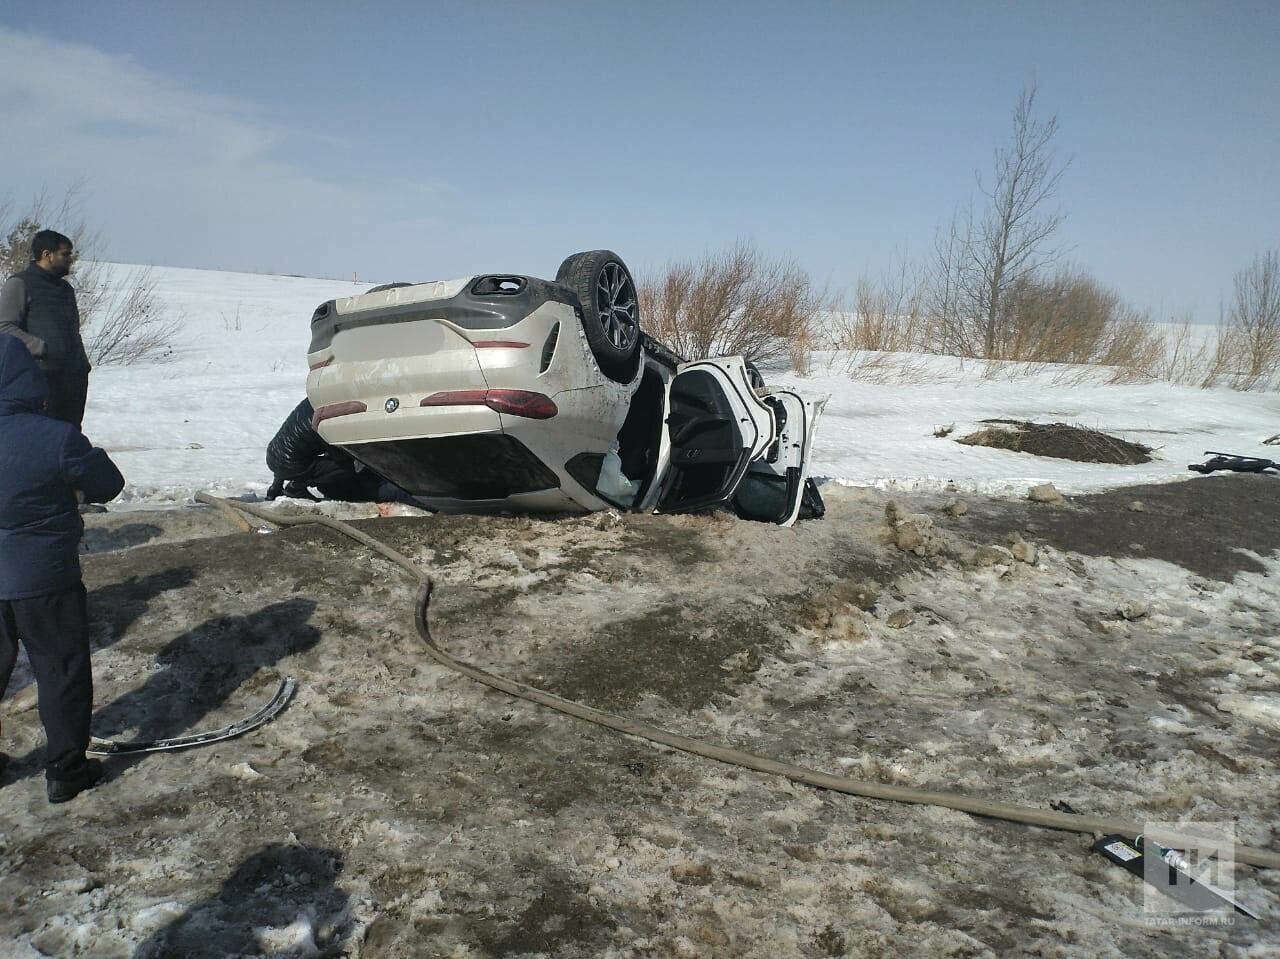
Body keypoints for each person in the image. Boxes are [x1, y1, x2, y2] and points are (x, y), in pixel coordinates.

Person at [0, 334, 124, 803]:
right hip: (45, 577)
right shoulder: (54, 436)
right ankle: (66, 771)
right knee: (60, 670)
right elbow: (108, 484)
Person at [0, 229, 92, 427]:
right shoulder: (20, 283)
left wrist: (82, 364)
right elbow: (4, 326)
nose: (71, 259)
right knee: (43, 437)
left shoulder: (66, 290)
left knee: (69, 438)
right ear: (46, 255)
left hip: (73, 378)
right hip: (41, 378)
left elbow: (73, 330)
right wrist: (41, 348)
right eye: (65, 254)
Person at [265, 397, 413, 504]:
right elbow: (338, 452)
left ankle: (278, 488)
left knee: (295, 453)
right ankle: (296, 487)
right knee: (345, 469)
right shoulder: (329, 414)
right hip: (291, 464)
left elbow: (287, 447)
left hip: (273, 455)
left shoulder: (315, 399)